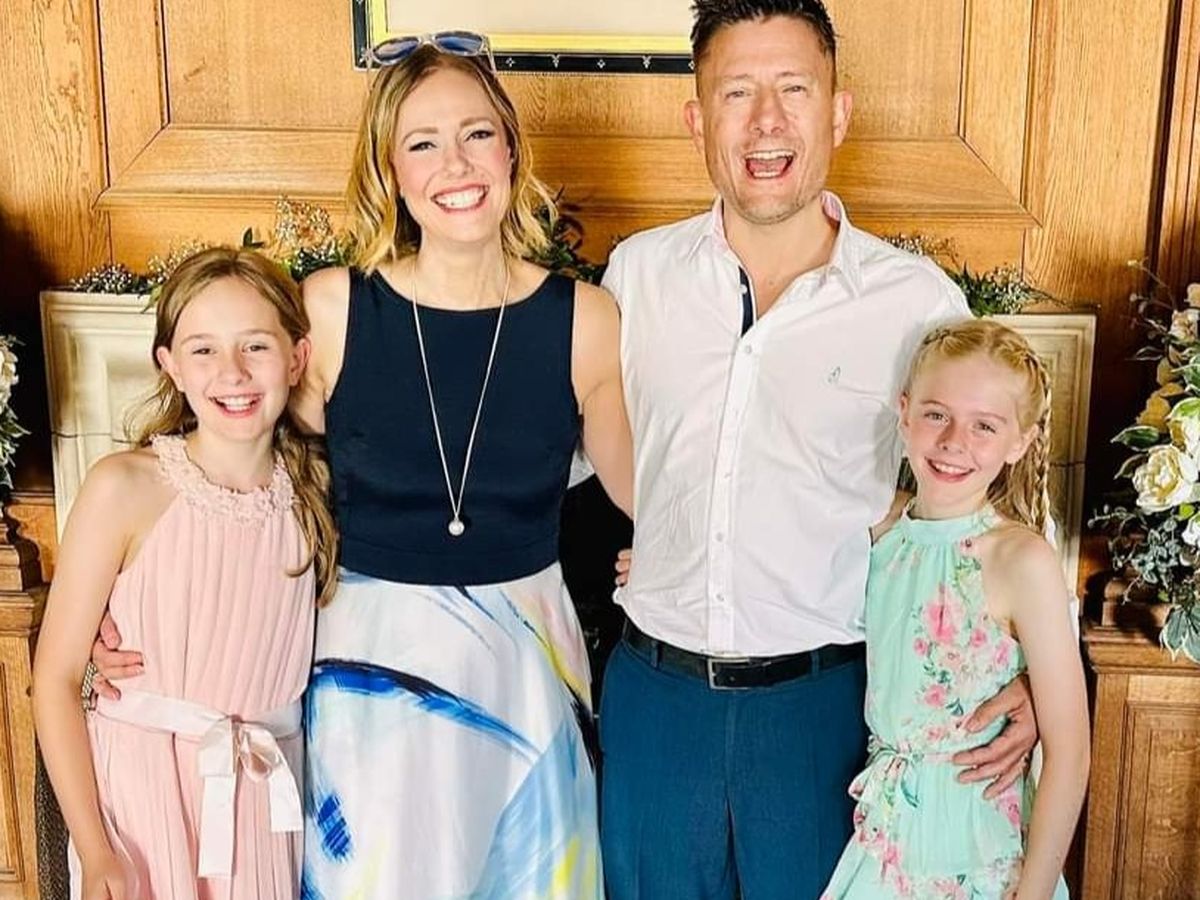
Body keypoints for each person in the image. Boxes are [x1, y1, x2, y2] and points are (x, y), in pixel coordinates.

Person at [92, 32, 631, 899]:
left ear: (510, 146)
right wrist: (116, 605)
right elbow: (237, 474)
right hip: (369, 680)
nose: (455, 164)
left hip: (527, 673)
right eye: (422, 143)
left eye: (477, 134)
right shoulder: (335, 309)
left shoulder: (588, 320)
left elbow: (654, 498)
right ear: (390, 171)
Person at [598, 2, 1040, 897]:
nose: (767, 121)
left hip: (827, 712)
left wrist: (1033, 670)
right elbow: (567, 453)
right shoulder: (637, 277)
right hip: (657, 703)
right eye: (737, 92)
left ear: (837, 113)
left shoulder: (914, 301)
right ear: (697, 120)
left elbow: (993, 497)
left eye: (794, 90)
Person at [33, 247, 337, 899]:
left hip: (263, 804)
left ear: (297, 358)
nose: (233, 372)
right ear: (169, 364)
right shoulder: (124, 488)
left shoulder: (315, 498)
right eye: (203, 350)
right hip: (143, 802)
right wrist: (95, 847)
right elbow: (55, 678)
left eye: (256, 346)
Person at [821, 319, 1089, 898]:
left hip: (981, 847)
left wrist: (1034, 891)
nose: (952, 442)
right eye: (936, 414)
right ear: (904, 412)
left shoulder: (1021, 560)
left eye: (984, 426)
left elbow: (1070, 751)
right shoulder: (879, 532)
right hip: (886, 845)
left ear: (1019, 442)